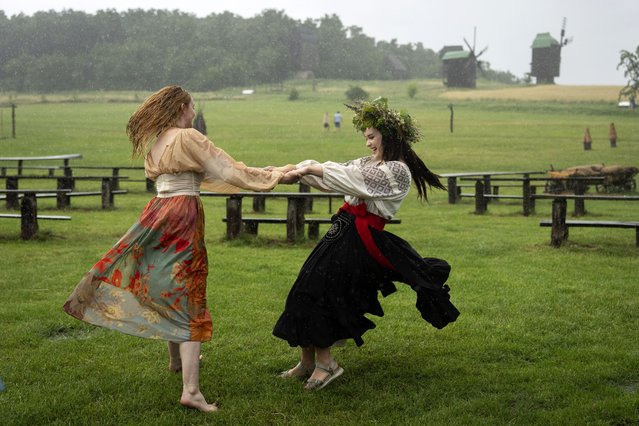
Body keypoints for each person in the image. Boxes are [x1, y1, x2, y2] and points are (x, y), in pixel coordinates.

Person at [63, 85, 286, 412]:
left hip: (158, 211)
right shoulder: (187, 136)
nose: (193, 111)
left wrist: (264, 175)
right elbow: (226, 171)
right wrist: (273, 176)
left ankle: (176, 362)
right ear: (181, 106)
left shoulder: (158, 144)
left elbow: (201, 177)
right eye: (192, 105)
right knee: (190, 290)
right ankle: (191, 391)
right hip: (182, 215)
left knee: (165, 285)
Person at [273, 97, 459, 391]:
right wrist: (291, 173)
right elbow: (337, 179)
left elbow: (352, 178)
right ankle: (307, 360)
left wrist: (308, 167)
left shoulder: (397, 171)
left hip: (360, 241)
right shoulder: (368, 163)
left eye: (372, 137)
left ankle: (327, 365)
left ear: (389, 135)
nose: (368, 143)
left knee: (326, 294)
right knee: (304, 288)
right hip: (341, 232)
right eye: (367, 138)